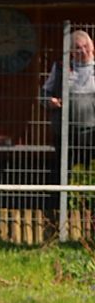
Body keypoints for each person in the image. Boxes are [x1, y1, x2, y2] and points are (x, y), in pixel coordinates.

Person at [43, 30, 95, 207]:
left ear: (92, 47)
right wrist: (49, 101)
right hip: (66, 133)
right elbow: (44, 93)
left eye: (86, 46)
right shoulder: (61, 68)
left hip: (92, 132)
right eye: (77, 48)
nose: (83, 51)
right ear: (71, 52)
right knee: (62, 171)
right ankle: (59, 208)